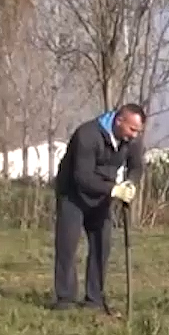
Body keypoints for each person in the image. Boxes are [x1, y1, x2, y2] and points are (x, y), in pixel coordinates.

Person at [51, 104, 147, 312]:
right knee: (67, 246)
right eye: (132, 129)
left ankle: (94, 299)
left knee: (101, 246)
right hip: (72, 194)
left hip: (102, 196)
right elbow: (81, 177)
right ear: (119, 121)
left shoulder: (131, 140)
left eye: (138, 131)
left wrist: (130, 183)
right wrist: (114, 189)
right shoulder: (87, 135)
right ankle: (65, 299)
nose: (134, 135)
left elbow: (137, 166)